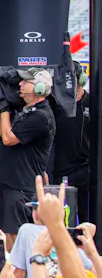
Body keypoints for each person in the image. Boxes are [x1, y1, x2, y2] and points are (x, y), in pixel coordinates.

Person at [0, 68, 56, 248]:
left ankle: (25, 267)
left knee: (18, 239)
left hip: (22, 186)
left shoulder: (40, 116)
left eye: (25, 81)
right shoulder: (28, 111)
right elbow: (2, 134)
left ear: (39, 88)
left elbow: (8, 139)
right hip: (11, 183)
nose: (20, 84)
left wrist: (4, 108)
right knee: (5, 234)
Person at [51, 63, 90, 224]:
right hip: (63, 170)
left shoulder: (93, 103)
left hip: (87, 171)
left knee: (87, 218)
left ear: (81, 80)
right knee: (63, 219)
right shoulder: (56, 104)